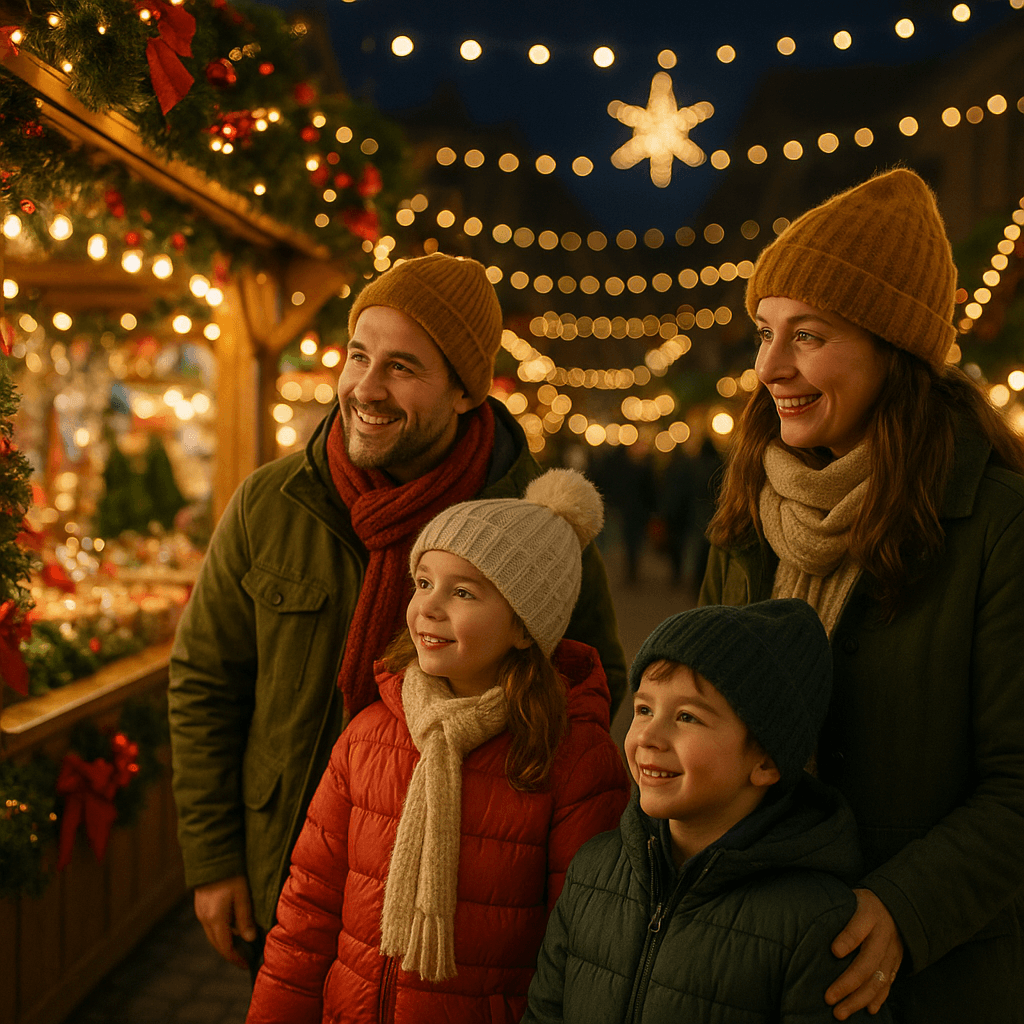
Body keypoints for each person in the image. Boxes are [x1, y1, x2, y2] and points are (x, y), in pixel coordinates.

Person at [167, 253, 626, 974]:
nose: (366, 388)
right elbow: (205, 681)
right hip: (287, 869)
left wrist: (499, 805)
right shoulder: (272, 501)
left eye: (402, 367)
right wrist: (214, 857)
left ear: (464, 392)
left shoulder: (530, 526)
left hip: (458, 904)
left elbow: (594, 685)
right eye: (358, 355)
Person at [700, 168, 1024, 1022]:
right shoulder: (747, 512)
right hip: (748, 956)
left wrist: (905, 910)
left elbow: (1019, 782)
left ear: (894, 349)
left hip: (923, 981)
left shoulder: (996, 525)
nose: (769, 366)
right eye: (766, 331)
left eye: (808, 335)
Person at [245, 469, 631, 1023]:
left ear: (525, 627)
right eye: (423, 583)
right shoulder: (370, 735)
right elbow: (308, 907)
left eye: (464, 592)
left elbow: (584, 948)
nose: (428, 607)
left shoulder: (572, 758)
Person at [523, 600, 889, 1023]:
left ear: (766, 762)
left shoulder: (816, 925)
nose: (650, 736)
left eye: (686, 717)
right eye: (644, 709)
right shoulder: (593, 872)